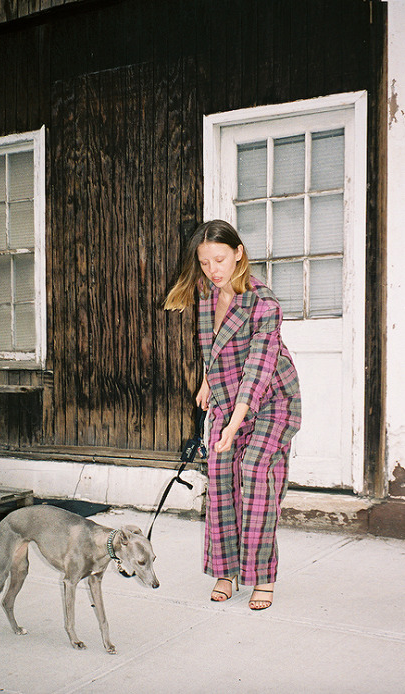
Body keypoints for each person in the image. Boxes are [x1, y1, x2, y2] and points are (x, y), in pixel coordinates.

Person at [164, 219, 301, 609]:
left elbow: (258, 369)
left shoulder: (265, 303)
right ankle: (227, 570)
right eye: (205, 263)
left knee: (256, 473)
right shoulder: (207, 294)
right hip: (227, 394)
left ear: (239, 252)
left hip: (273, 400)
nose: (213, 270)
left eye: (220, 260)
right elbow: (211, 345)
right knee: (222, 477)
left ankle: (262, 577)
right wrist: (208, 380)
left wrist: (234, 424)